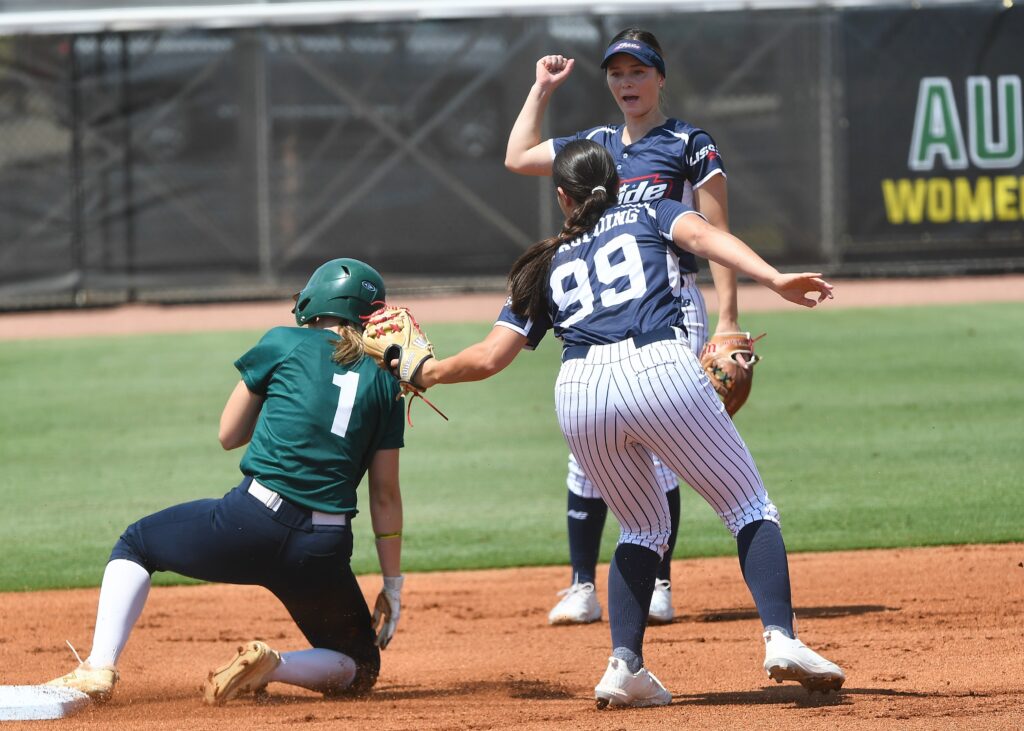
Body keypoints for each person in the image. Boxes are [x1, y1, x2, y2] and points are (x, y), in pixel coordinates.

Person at [415, 140, 845, 707]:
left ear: (561, 197)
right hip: (659, 368)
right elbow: (707, 238)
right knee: (747, 507)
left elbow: (490, 357)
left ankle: (624, 668)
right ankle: (781, 639)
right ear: (618, 180)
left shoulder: (543, 259)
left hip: (579, 392)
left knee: (641, 528)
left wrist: (426, 372)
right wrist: (775, 278)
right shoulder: (650, 210)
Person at [46, 258, 407, 705]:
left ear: (316, 300)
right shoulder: (389, 383)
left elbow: (229, 434)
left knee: (136, 545)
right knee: (360, 666)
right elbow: (385, 494)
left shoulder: (283, 342)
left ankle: (98, 667)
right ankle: (277, 664)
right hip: (322, 547)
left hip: (251, 521)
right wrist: (392, 585)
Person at [505, 28, 744, 626]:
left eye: (638, 72)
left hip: (670, 304)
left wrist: (730, 318)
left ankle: (659, 580)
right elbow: (517, 156)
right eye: (616, 73)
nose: (627, 83)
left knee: (663, 448)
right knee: (589, 452)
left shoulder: (689, 143)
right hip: (599, 311)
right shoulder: (596, 143)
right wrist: (540, 90)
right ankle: (582, 585)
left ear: (660, 77)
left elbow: (717, 236)